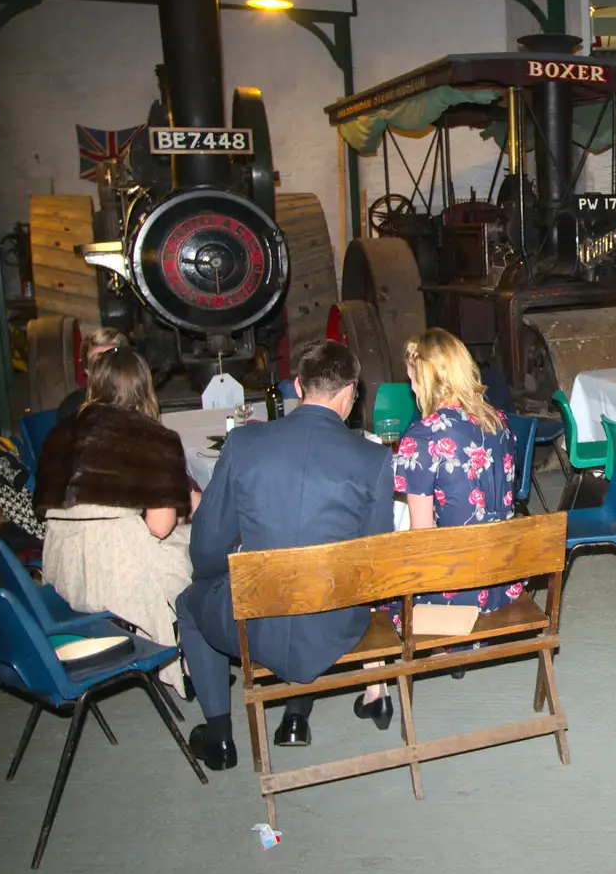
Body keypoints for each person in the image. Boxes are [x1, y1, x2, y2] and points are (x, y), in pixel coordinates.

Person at [175, 340, 395, 771]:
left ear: (298, 386)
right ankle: (295, 716)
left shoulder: (242, 444)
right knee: (308, 591)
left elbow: (208, 547)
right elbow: (374, 566)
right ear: (351, 393)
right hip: (333, 625)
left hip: (255, 624)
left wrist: (216, 577)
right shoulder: (374, 458)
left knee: (191, 601)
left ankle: (219, 736)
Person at [354, 329, 521, 730]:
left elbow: (422, 540)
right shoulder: (498, 420)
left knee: (366, 577)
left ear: (427, 379)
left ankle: (376, 691)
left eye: (413, 377)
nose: (411, 386)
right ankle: (451, 652)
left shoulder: (423, 438)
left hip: (456, 596)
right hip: (503, 582)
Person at [35, 347, 194, 687]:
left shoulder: (58, 435)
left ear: (94, 385)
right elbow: (161, 527)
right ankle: (195, 656)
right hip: (117, 575)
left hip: (63, 571)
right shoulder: (154, 437)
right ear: (144, 387)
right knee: (203, 548)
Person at [56, 327, 129, 419]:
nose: (104, 369)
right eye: (96, 362)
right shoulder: (72, 409)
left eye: (111, 360)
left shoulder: (140, 401)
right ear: (87, 370)